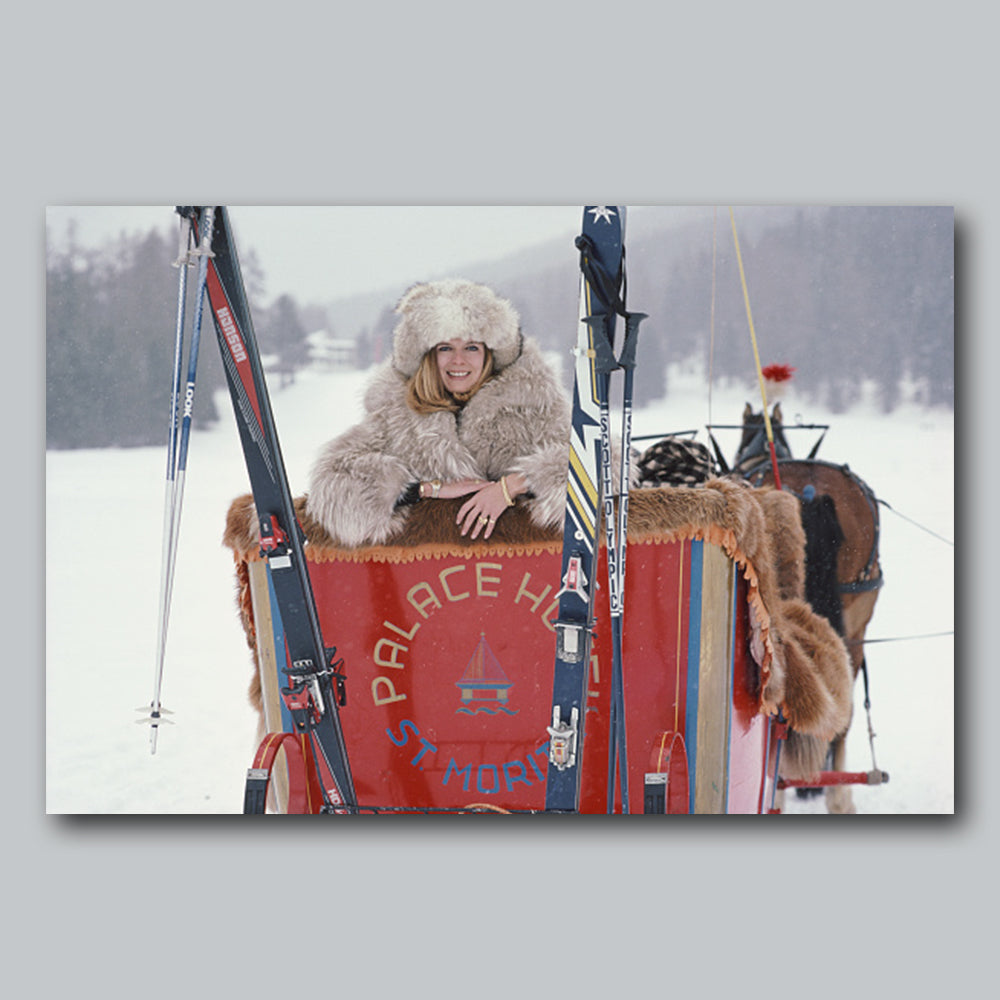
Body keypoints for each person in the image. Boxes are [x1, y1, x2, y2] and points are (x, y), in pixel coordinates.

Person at [306, 279, 572, 547]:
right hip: (427, 581)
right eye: (445, 348)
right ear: (428, 356)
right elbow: (334, 486)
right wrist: (426, 490)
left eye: (471, 347)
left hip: (523, 578)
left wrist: (512, 486)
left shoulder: (534, 405)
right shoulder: (396, 415)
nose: (459, 360)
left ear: (489, 354)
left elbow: (598, 464)